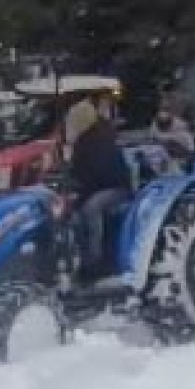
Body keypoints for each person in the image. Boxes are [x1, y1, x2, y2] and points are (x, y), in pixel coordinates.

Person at [64, 92, 131, 279]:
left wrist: (80, 192)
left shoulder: (99, 140)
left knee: (91, 208)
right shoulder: (80, 143)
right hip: (95, 187)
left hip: (116, 188)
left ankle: (94, 262)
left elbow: (101, 174)